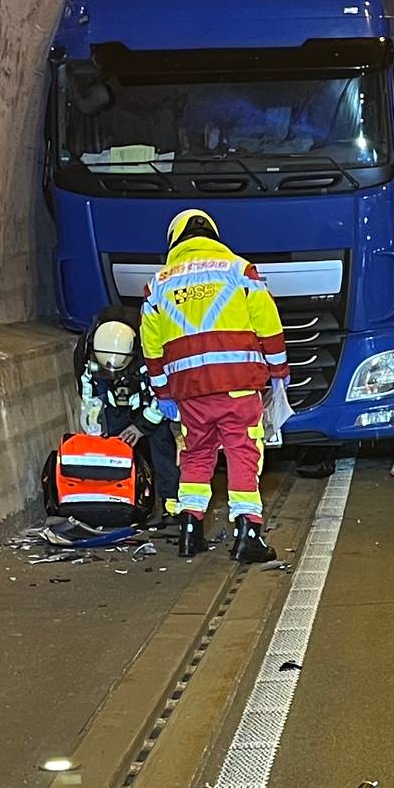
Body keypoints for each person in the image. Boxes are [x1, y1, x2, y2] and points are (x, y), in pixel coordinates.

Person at [139, 208, 290, 563]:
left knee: (196, 453)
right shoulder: (240, 270)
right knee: (242, 451)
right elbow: (268, 324)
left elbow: (152, 348)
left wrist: (164, 394)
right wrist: (279, 369)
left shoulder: (158, 285)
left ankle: (190, 529)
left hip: (190, 392)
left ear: (175, 240)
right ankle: (248, 533)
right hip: (237, 386)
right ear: (212, 234)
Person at [78, 319, 175, 521]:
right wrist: (93, 422)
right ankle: (119, 498)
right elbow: (88, 392)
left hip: (148, 403)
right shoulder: (86, 356)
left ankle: (171, 502)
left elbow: (162, 397)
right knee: (116, 448)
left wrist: (141, 427)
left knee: (161, 445)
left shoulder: (152, 355)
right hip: (115, 406)